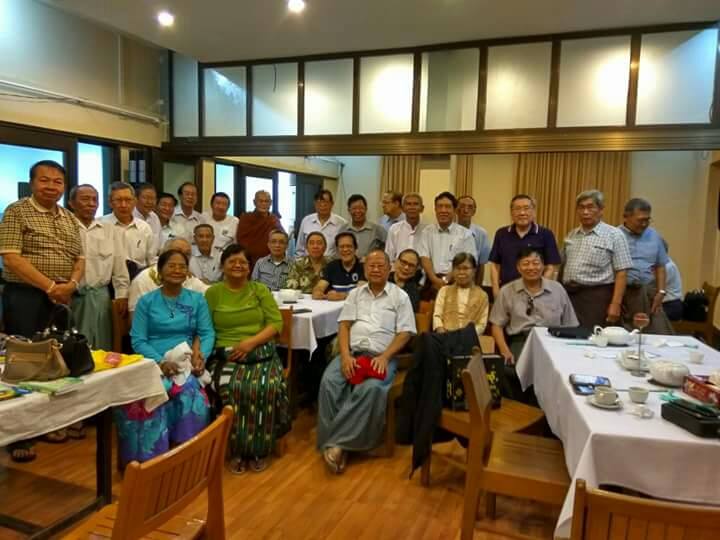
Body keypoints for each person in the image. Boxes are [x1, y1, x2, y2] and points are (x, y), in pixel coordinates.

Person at [0, 160, 85, 462]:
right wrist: (50, 286)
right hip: (26, 296)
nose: (51, 186)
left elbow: (80, 258)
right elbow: (11, 258)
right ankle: (20, 436)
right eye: (44, 180)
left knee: (59, 363)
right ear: (32, 183)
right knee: (25, 364)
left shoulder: (69, 217)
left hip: (62, 297)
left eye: (57, 181)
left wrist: (71, 284)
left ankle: (51, 423)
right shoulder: (16, 211)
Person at [317, 250, 416, 474]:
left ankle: (336, 444)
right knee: (329, 382)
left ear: (389, 269)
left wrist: (385, 357)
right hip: (353, 353)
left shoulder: (400, 297)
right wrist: (345, 356)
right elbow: (344, 325)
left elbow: (405, 333)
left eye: (381, 265)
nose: (376, 269)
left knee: (371, 389)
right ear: (365, 269)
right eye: (371, 265)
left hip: (382, 356)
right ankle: (342, 444)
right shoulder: (355, 294)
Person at [117, 249, 215, 466]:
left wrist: (201, 357)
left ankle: (188, 454)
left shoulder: (197, 300)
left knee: (189, 390)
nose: (177, 270)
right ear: (160, 271)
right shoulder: (146, 302)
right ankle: (149, 460)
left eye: (182, 266)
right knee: (148, 393)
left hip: (185, 361)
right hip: (152, 361)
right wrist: (160, 361)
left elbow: (206, 333)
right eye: (171, 266)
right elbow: (138, 339)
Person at [205, 244, 291, 474]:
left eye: (243, 262)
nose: (238, 265)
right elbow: (205, 328)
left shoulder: (259, 290)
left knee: (266, 386)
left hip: (260, 352)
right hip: (225, 354)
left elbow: (276, 323)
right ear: (222, 265)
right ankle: (237, 449)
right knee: (231, 387)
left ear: (249, 267)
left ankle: (258, 448)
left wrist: (251, 343)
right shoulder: (213, 293)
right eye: (232, 261)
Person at [490, 248, 578, 401]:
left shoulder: (557, 289)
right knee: (514, 371)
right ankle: (522, 408)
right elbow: (496, 324)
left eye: (536, 263)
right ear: (518, 268)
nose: (531, 267)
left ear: (543, 266)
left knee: (556, 373)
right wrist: (504, 350)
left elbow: (571, 324)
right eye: (526, 264)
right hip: (521, 341)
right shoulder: (507, 291)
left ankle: (546, 411)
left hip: (552, 342)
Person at [69, 184, 130, 350]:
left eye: (94, 200)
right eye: (85, 199)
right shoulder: (65, 227)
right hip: (73, 297)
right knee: (75, 346)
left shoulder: (109, 230)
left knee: (103, 344)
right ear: (72, 203)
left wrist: (122, 295)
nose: (91, 203)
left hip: (101, 296)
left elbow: (119, 265)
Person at [562, 190, 632, 329]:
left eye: (590, 207)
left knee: (593, 337)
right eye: (581, 207)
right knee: (569, 336)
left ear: (601, 210)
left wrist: (616, 304)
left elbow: (622, 272)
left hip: (596, 297)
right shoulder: (572, 234)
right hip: (570, 295)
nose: (585, 212)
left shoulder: (614, 235)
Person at [618, 198, 674, 334]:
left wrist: (661, 292)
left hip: (647, 292)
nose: (644, 224)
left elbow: (660, 266)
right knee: (623, 335)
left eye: (647, 220)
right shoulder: (615, 235)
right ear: (626, 216)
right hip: (622, 293)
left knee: (657, 333)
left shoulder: (654, 236)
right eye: (640, 220)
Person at [489, 194, 561, 298]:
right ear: (511, 213)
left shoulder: (546, 234)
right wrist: (496, 292)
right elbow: (495, 265)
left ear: (533, 212)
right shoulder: (501, 234)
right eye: (517, 209)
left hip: (535, 294)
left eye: (526, 208)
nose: (522, 213)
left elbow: (550, 267)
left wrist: (540, 292)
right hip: (506, 293)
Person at [418, 192, 476, 295]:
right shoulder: (427, 231)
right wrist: (434, 279)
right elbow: (424, 257)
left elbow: (469, 262)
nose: (443, 210)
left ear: (455, 210)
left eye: (448, 207)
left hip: (457, 282)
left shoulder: (466, 234)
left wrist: (446, 280)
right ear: (435, 209)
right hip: (431, 282)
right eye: (440, 206)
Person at [129, 238, 208, 314]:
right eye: (177, 252)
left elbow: (209, 292)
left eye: (187, 254)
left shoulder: (189, 278)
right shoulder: (143, 280)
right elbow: (135, 317)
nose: (182, 257)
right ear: (163, 254)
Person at [102, 182, 157, 278]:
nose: (123, 205)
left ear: (135, 202)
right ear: (110, 202)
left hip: (139, 277)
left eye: (128, 200)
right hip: (108, 278)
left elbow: (151, 260)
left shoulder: (144, 227)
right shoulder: (100, 225)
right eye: (118, 200)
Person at [432, 253, 489, 340]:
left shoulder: (482, 295)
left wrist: (463, 337)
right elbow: (437, 316)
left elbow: (482, 325)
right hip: (445, 337)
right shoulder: (444, 291)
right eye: (458, 268)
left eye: (465, 268)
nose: (461, 272)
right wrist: (443, 334)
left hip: (469, 339)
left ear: (474, 271)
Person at [236, 190, 283, 268]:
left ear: (270, 203)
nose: (263, 204)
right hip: (248, 261)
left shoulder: (273, 220)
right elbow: (241, 240)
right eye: (260, 201)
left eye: (266, 201)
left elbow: (281, 239)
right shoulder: (246, 218)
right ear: (254, 202)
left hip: (269, 262)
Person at [312, 232, 366, 301]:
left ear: (355, 248)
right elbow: (320, 286)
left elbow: (361, 292)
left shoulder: (363, 266)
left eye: (349, 246)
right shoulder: (331, 266)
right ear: (337, 249)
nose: (345, 250)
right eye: (341, 247)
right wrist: (318, 292)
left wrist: (343, 295)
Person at [295, 189, 347, 257]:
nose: (322, 205)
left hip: (331, 263)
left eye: (326, 202)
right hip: (309, 262)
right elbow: (299, 249)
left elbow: (343, 248)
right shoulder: (306, 221)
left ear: (332, 204)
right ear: (315, 204)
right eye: (319, 202)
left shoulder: (342, 223)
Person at [337, 194, 386, 259]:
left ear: (366, 209)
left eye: (361, 208)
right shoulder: (343, 230)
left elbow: (387, 251)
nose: (357, 211)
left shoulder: (378, 230)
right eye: (354, 208)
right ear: (349, 210)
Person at [457, 195, 491, 284]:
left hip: (472, 282)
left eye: (470, 207)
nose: (466, 210)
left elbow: (481, 264)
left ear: (474, 211)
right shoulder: (449, 231)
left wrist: (477, 287)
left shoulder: (481, 234)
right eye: (462, 206)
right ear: (456, 209)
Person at [385, 192, 426, 263]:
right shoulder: (394, 229)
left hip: (421, 269)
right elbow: (389, 256)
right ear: (403, 209)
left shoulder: (428, 230)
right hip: (399, 268)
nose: (412, 207)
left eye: (416, 204)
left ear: (422, 208)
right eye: (408, 204)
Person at [661, 239, 683, 321]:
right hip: (666, 304)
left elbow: (654, 288)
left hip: (671, 307)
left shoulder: (668, 266)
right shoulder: (662, 264)